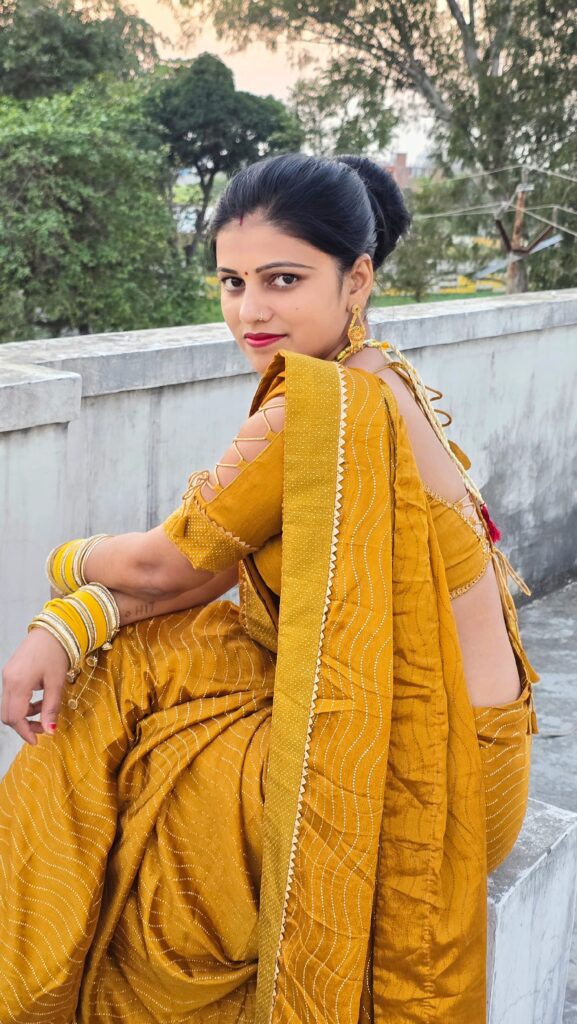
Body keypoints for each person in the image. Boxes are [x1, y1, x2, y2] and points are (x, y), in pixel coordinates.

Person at [0, 153, 539, 1024]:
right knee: (161, 660)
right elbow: (210, 568)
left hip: (431, 782)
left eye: (282, 280)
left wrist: (66, 567)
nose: (250, 311)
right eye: (232, 282)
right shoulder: (374, 375)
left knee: (143, 752)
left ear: (355, 279)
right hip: (469, 746)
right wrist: (74, 622)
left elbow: (165, 567)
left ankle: (53, 969)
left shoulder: (319, 405)